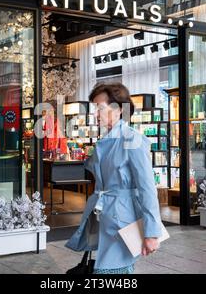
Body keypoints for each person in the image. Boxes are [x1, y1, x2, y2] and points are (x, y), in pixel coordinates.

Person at [65, 82, 163, 274]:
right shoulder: (107, 139)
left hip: (122, 221)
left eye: (100, 108)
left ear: (118, 110)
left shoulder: (132, 139)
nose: (95, 114)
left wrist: (152, 233)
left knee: (113, 271)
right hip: (105, 217)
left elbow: (147, 187)